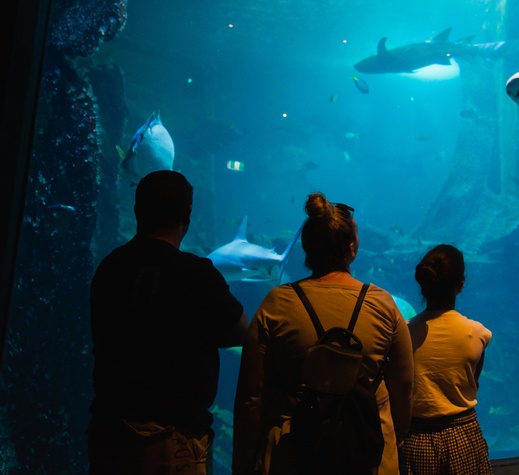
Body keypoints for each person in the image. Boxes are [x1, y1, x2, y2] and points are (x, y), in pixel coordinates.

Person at [233, 194, 413, 475]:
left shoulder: (277, 304)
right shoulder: (383, 304)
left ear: (306, 248)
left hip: (293, 454)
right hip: (370, 456)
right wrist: (397, 438)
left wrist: (244, 462)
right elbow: (403, 386)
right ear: (352, 249)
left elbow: (250, 396)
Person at [89, 169, 248, 474]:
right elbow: (241, 331)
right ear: (188, 213)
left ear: (137, 210)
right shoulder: (196, 273)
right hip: (171, 437)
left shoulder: (110, 268)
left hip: (108, 431)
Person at [400, 244, 493, 475]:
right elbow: (473, 383)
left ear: (423, 285)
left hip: (416, 440)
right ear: (461, 284)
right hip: (463, 436)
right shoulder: (477, 333)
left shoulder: (403, 335)